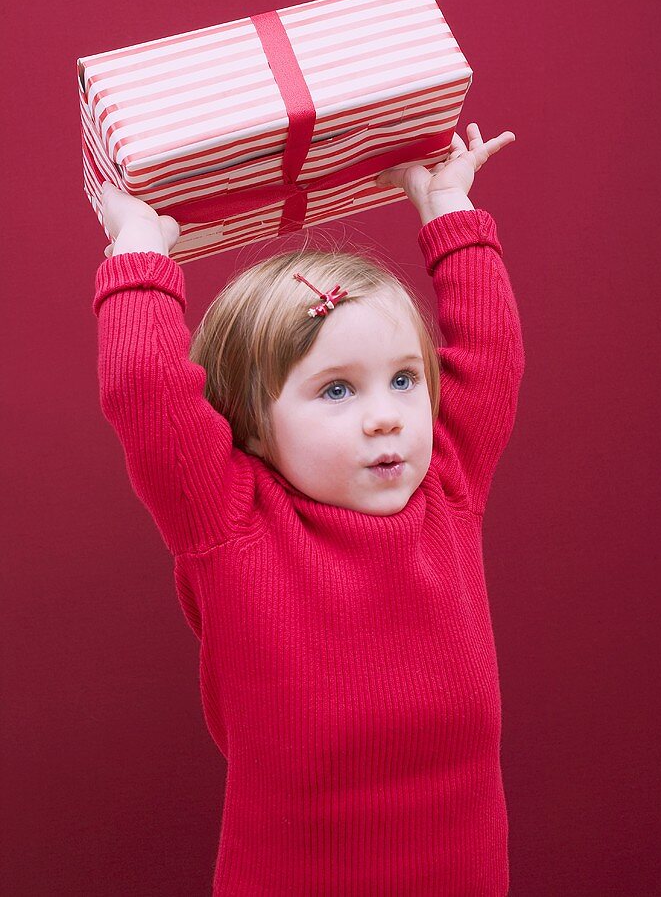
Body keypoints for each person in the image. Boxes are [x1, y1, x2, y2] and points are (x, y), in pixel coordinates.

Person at [93, 122, 525, 896]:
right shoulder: (230, 519)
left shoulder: (449, 486)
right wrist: (137, 251)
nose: (387, 416)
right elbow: (143, 391)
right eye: (336, 390)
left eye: (404, 379)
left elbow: (491, 357)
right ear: (250, 425)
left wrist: (447, 208)